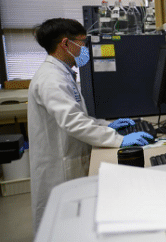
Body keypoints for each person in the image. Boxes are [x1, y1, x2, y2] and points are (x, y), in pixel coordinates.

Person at [28, 18, 153, 230]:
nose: (85, 49)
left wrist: (106, 126)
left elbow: (78, 116)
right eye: (82, 43)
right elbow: (74, 123)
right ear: (66, 44)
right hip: (60, 165)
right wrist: (119, 140)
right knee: (61, 227)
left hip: (70, 156)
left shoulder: (62, 74)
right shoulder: (51, 79)